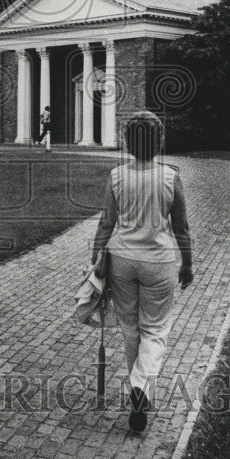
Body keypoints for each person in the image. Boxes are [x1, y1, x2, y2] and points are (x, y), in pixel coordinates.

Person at [91, 110, 193, 432]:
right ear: (159, 141)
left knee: (130, 328)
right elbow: (182, 227)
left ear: (127, 142)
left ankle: (139, 390)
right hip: (159, 262)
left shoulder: (117, 176)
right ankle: (139, 388)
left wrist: (95, 258)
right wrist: (188, 263)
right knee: (156, 330)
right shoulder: (170, 176)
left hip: (121, 258)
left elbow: (106, 223)